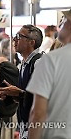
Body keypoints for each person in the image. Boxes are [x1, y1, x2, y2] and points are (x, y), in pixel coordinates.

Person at [27, 9, 71, 139]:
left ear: (69, 25)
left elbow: (38, 113)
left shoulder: (51, 60)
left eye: (63, 22)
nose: (60, 27)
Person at [0, 24, 43, 139]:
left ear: (31, 42)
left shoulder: (39, 63)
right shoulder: (22, 65)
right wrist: (12, 95)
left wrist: (19, 93)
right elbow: (27, 97)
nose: (14, 39)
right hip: (25, 127)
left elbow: (43, 98)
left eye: (19, 36)